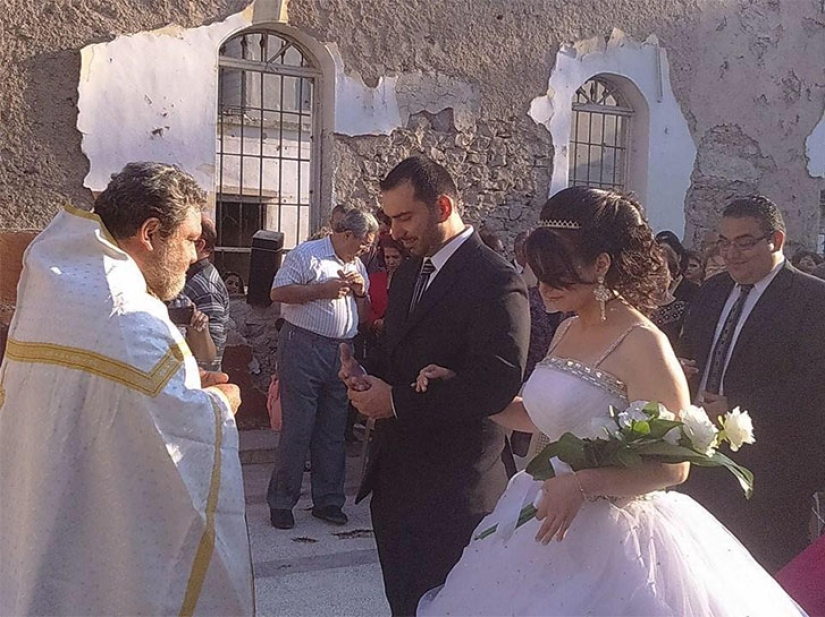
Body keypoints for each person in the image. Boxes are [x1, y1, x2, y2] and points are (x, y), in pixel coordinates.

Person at [414, 186, 805, 616]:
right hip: (544, 513)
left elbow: (674, 466)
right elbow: (545, 418)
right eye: (536, 272)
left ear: (600, 265)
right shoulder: (566, 328)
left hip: (618, 541)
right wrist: (463, 387)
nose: (541, 287)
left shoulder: (643, 343)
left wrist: (583, 484)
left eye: (556, 274)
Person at [0, 162, 253, 616]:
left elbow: (113, 398)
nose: (196, 255)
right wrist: (217, 404)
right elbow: (179, 435)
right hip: (97, 539)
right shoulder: (127, 316)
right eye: (191, 239)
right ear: (152, 232)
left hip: (39, 504)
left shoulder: (58, 286)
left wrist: (183, 386)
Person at [339, 156, 530, 616]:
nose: (394, 231)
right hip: (396, 485)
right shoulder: (406, 274)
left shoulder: (496, 280)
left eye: (405, 217)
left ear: (443, 206)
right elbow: (398, 359)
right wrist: (365, 377)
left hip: (456, 492)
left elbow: (496, 384)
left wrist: (396, 402)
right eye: (388, 219)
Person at [678, 195, 825, 572]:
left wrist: (735, 405)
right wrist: (682, 368)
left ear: (775, 240)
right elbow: (692, 347)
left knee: (765, 576)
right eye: (723, 242)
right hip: (701, 457)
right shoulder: (712, 291)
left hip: (772, 470)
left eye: (744, 242)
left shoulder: (812, 298)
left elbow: (813, 383)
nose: (731, 254)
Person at [267, 207, 378, 530]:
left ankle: (328, 501)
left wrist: (360, 291)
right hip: (303, 345)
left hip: (341, 351)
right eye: (363, 243)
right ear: (345, 235)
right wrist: (321, 290)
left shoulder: (356, 264)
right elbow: (278, 292)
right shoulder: (307, 255)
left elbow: (365, 311)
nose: (367, 250)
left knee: (333, 429)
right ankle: (282, 501)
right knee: (298, 427)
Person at [183, 213, 230, 371]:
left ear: (199, 245)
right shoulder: (191, 278)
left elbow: (211, 358)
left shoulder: (206, 289)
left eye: (185, 239)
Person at [651, 242, 689, 346]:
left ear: (671, 274)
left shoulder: (682, 310)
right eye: (651, 272)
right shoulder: (635, 306)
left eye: (661, 272)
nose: (655, 278)